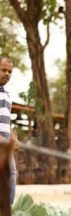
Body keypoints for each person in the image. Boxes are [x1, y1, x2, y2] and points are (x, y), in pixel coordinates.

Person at [0, 56, 18, 204]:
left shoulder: (7, 95)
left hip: (5, 145)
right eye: (3, 70)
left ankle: (7, 211)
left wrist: (13, 136)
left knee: (11, 174)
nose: (7, 74)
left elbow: (7, 120)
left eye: (10, 71)